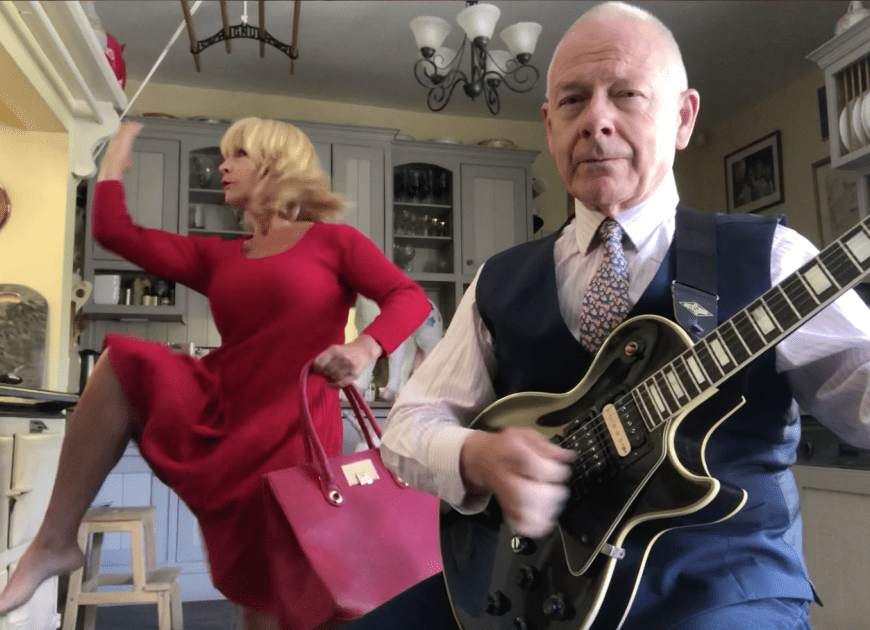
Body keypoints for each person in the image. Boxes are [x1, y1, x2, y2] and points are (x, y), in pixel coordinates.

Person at [345, 2, 870, 630]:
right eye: (573, 100)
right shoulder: (499, 281)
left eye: (626, 95)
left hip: (719, 590)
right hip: (526, 590)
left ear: (682, 118)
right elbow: (407, 427)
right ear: (549, 126)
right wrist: (478, 456)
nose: (596, 119)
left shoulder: (773, 260)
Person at [0, 117, 431, 630]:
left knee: (295, 602)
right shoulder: (220, 256)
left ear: (275, 163)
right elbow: (114, 232)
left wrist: (364, 347)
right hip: (225, 421)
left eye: (238, 154)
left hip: (293, 435)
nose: (222, 166)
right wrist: (114, 160)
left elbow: (410, 297)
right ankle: (54, 542)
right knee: (121, 364)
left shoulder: (334, 242)